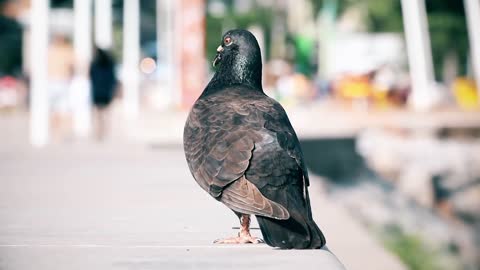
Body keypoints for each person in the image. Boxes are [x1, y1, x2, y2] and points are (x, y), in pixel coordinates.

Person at [89, 48, 117, 141]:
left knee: (98, 114)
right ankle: (105, 131)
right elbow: (113, 79)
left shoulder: (95, 65)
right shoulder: (110, 65)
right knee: (106, 113)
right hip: (106, 92)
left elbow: (91, 77)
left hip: (97, 92)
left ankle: (99, 132)